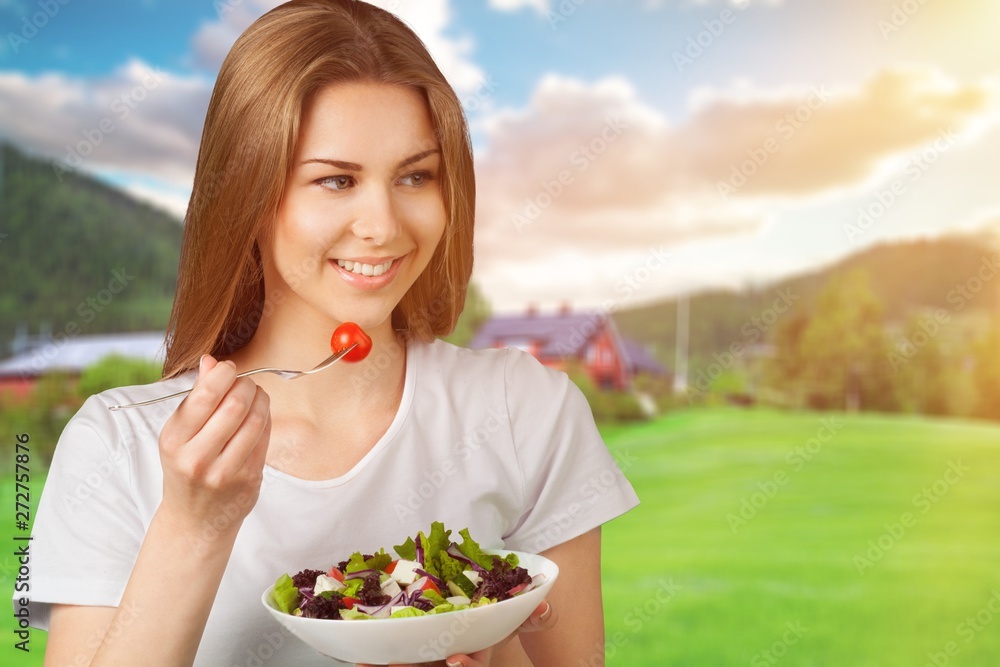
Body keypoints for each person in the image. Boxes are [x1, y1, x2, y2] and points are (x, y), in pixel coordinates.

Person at [24, 1, 639, 665]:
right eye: (336, 180)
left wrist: (494, 648)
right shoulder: (119, 444)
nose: (382, 224)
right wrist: (194, 525)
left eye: (415, 175)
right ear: (248, 196)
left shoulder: (527, 412)